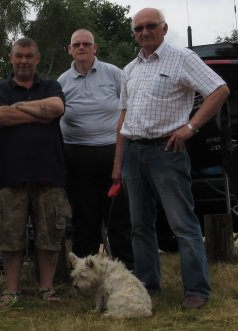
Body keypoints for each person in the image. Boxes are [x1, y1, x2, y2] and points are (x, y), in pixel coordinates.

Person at [112, 8, 230, 309]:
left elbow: (219, 90)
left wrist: (190, 127)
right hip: (134, 154)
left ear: (164, 29)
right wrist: (118, 163)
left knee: (183, 224)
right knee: (139, 226)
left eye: (150, 26)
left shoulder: (183, 58)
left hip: (167, 152)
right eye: (138, 29)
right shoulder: (129, 69)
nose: (144, 32)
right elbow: (124, 117)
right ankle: (148, 286)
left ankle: (197, 291)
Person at [0, 37, 70, 308]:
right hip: (9, 175)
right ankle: (12, 290)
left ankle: (46, 288)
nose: (23, 61)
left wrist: (17, 108)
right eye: (18, 56)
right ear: (11, 58)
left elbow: (57, 108)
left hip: (50, 173)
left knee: (49, 234)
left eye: (28, 56)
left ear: (37, 58)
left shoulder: (51, 85)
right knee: (10, 237)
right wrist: (38, 112)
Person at [58, 29, 133, 268]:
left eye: (86, 44)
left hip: (113, 153)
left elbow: (130, 107)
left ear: (95, 48)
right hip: (77, 155)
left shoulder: (114, 74)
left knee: (119, 216)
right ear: (69, 49)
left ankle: (125, 270)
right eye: (76, 44)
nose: (81, 48)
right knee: (83, 217)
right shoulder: (62, 81)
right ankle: (84, 274)